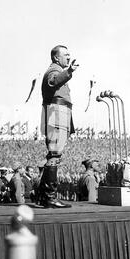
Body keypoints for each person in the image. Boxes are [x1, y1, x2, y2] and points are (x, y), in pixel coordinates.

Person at [38, 45, 78, 208]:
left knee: (54, 155)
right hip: (57, 114)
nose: (69, 57)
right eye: (66, 55)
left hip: (59, 113)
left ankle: (44, 196)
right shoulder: (53, 71)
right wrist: (69, 72)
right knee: (55, 155)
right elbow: (53, 81)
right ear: (56, 57)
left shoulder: (56, 70)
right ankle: (50, 197)